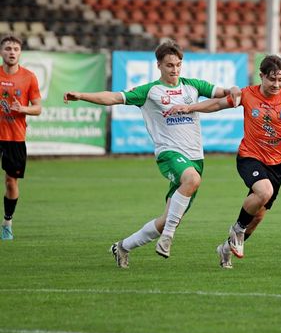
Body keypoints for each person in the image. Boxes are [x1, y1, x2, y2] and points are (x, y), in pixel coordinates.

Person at [63, 40, 240, 268]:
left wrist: (234, 89)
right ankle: (168, 237)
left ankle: (122, 247)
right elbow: (114, 97)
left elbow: (225, 93)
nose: (174, 69)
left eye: (178, 65)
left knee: (167, 218)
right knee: (192, 180)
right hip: (169, 153)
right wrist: (81, 95)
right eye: (169, 65)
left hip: (195, 157)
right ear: (159, 65)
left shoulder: (192, 86)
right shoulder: (150, 91)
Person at [168, 55, 281, 269]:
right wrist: (190, 108)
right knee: (264, 192)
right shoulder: (247, 94)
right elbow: (217, 104)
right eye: (272, 79)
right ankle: (237, 229)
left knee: (257, 217)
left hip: (276, 163)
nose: (276, 84)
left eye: (280, 79)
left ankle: (226, 249)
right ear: (261, 76)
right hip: (250, 156)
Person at [0, 35, 42, 240]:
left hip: (15, 138)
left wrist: (22, 108)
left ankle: (7, 223)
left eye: (16, 49)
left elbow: (38, 108)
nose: (12, 52)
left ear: (20, 53)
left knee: (11, 181)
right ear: (1, 52)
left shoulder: (29, 77)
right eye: (8, 48)